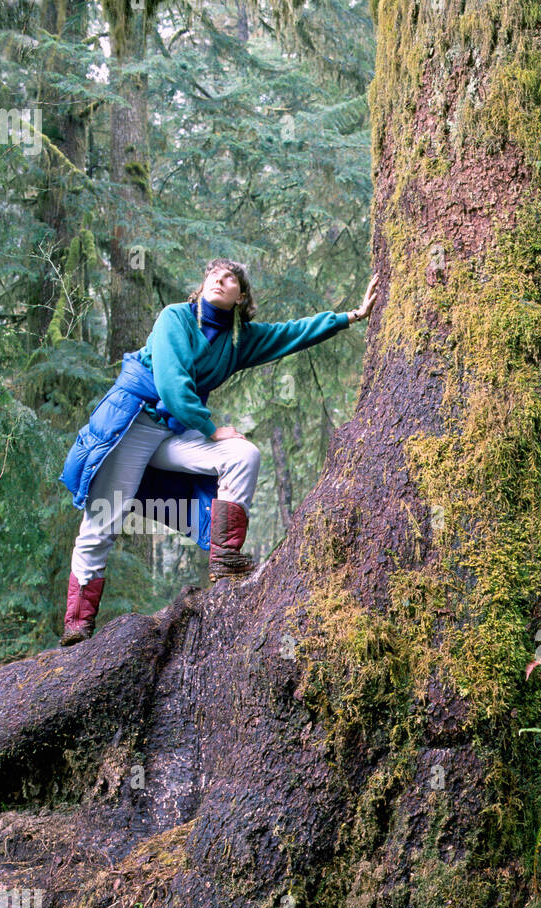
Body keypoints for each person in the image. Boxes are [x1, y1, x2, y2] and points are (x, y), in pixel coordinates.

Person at [57, 258, 377, 645]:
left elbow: (291, 334)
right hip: (134, 423)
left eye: (229, 279)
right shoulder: (175, 318)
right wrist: (212, 428)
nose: (219, 280)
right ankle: (78, 625)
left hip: (171, 433)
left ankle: (225, 562)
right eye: (214, 274)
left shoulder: (239, 339)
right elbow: (173, 386)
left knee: (242, 455)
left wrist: (351, 316)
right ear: (203, 284)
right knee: (101, 522)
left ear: (241, 296)